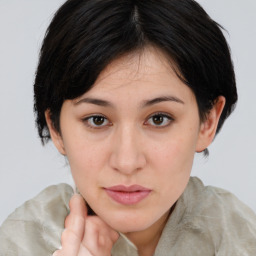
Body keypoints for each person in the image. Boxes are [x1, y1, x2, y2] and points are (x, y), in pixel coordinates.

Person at [0, 0, 256, 255]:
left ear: (207, 122)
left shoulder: (243, 238)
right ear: (55, 128)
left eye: (159, 119)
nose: (127, 161)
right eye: (97, 120)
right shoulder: (20, 243)